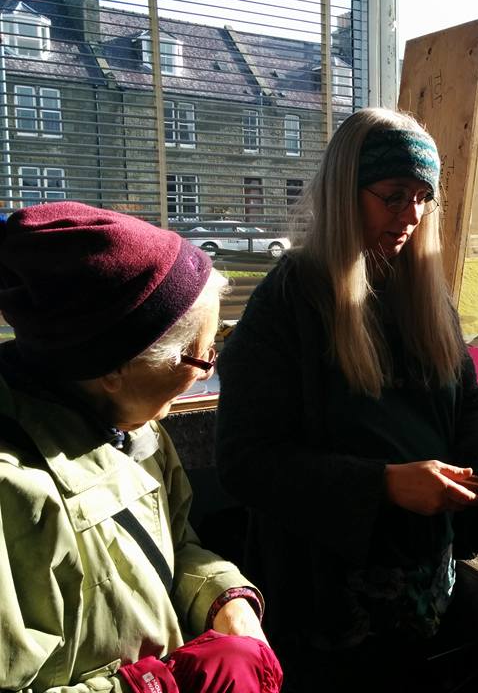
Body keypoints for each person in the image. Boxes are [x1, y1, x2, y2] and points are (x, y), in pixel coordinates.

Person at [215, 107, 478, 688]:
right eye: (393, 196)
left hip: (423, 596)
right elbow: (245, 463)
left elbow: (468, 405)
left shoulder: (423, 294)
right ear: (346, 192)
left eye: (423, 198)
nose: (411, 217)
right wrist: (385, 485)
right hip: (327, 611)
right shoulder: (287, 304)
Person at [0, 202, 282, 692]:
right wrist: (159, 685)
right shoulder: (15, 492)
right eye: (200, 354)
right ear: (114, 368)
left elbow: (174, 547)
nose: (208, 370)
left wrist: (224, 599)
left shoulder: (137, 430)